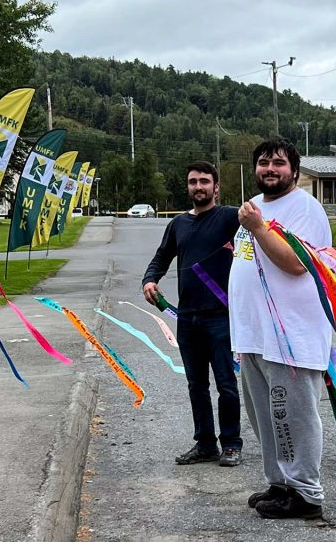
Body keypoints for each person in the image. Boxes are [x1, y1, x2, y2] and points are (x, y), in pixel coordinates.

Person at [229, 137, 332, 520]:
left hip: (291, 337)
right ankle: (280, 483)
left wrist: (257, 228)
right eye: (263, 163)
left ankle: (306, 494)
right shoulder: (255, 209)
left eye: (278, 163)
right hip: (254, 337)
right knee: (266, 416)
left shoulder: (305, 208)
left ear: (294, 170)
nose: (270, 169)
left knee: (296, 417)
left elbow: (295, 263)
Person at [142, 161, 243, 467]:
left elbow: (257, 242)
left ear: (216, 187)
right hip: (187, 318)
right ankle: (205, 444)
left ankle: (231, 444)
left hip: (220, 317)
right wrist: (150, 278)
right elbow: (162, 256)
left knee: (226, 383)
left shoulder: (229, 218)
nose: (198, 187)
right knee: (196, 385)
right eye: (193, 182)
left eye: (204, 181)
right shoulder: (178, 224)